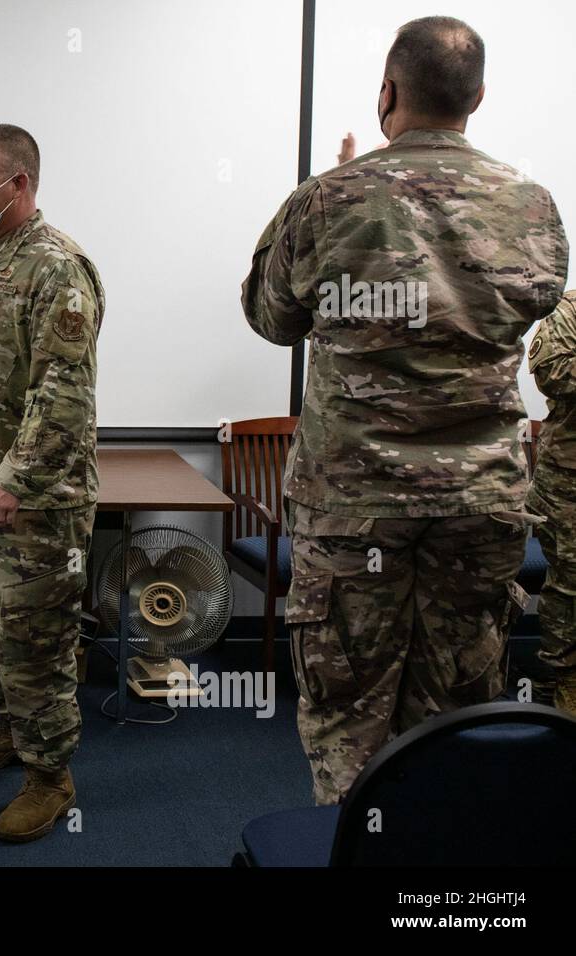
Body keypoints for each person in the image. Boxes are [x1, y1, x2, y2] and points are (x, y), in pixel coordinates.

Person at [241, 17, 569, 804]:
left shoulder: (327, 199)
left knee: (349, 708)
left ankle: (360, 851)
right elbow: (538, 304)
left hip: (357, 507)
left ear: (387, 91)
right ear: (478, 98)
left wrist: (343, 204)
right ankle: (441, 894)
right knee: (459, 704)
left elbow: (270, 317)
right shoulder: (531, 205)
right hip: (479, 504)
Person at [0, 124, 104, 842]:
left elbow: (61, 392)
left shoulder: (57, 267)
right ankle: (11, 731)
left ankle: (49, 776)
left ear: (19, 183)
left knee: (35, 642)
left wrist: (15, 476)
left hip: (34, 501)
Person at [526, 290, 576, 715]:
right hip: (568, 485)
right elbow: (552, 372)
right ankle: (555, 688)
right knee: (570, 587)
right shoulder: (568, 310)